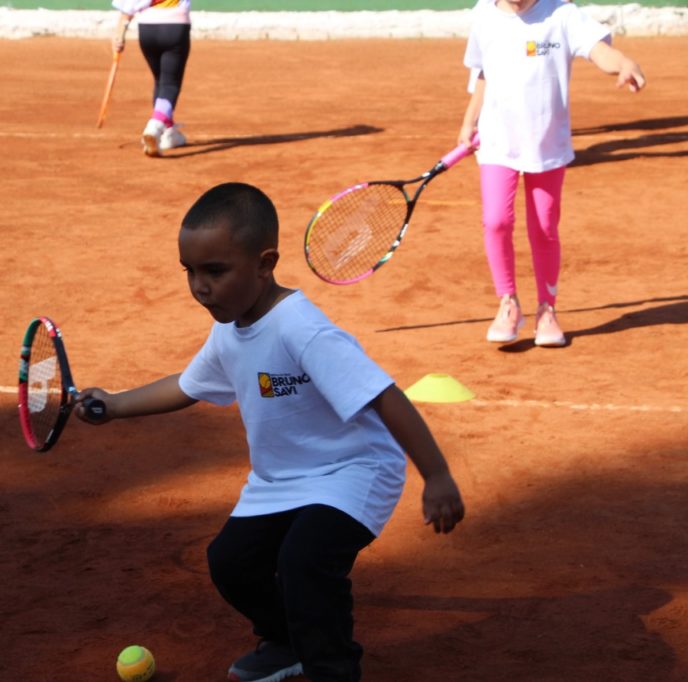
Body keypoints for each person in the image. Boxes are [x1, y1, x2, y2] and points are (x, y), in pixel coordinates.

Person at [75, 183, 465, 682]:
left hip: (354, 471)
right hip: (281, 481)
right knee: (230, 562)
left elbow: (385, 395)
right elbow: (189, 384)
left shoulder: (302, 329)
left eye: (215, 271)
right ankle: (286, 642)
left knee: (306, 563)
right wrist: (115, 405)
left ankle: (333, 669)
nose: (200, 286)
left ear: (265, 264)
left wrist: (436, 476)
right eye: (189, 271)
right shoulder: (230, 329)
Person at [458, 0, 646, 346]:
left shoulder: (562, 14)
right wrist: (469, 121)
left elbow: (599, 51)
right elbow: (484, 73)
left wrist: (624, 63)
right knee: (496, 220)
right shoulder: (483, 13)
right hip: (498, 142)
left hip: (547, 146)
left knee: (543, 227)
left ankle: (547, 309)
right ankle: (508, 302)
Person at [111, 0, 191, 157]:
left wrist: (120, 30)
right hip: (175, 26)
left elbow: (128, 6)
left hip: (147, 29)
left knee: (160, 80)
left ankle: (169, 132)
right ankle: (155, 126)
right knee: (170, 84)